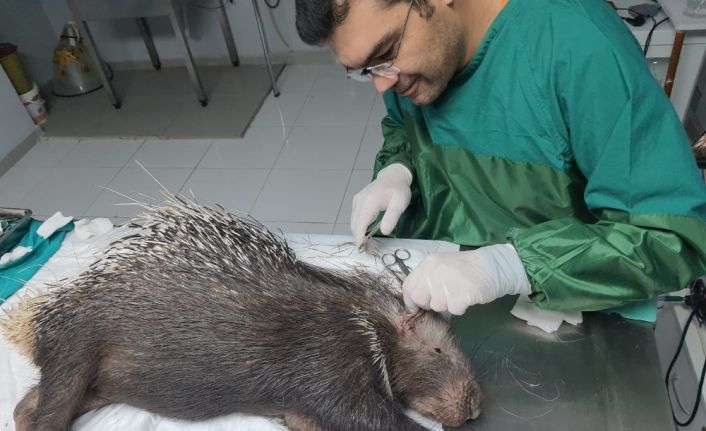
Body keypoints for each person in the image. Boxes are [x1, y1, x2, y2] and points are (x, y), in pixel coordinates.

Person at [294, 0, 706, 316]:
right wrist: (396, 169)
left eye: (386, 51)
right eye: (365, 69)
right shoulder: (414, 68)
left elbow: (672, 237)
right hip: (434, 289)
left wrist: (512, 266)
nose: (382, 85)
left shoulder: (578, 47)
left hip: (559, 306)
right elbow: (404, 128)